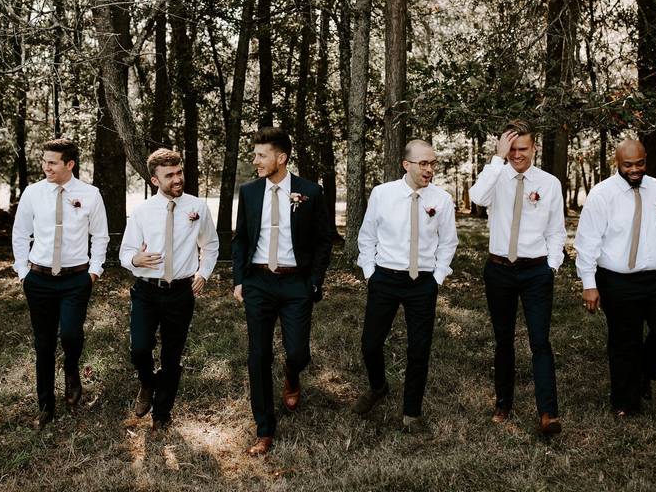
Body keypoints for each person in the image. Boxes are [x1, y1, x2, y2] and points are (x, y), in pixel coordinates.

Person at [575, 139, 656, 416]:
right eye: (628, 164)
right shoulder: (602, 194)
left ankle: (643, 373)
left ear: (646, 159)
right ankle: (625, 402)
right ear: (617, 163)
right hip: (617, 279)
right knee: (624, 339)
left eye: (639, 163)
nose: (634, 169)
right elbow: (587, 242)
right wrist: (589, 284)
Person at [232, 127, 333, 455]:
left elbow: (322, 240)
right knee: (258, 355)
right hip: (259, 281)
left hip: (295, 283)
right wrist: (239, 279)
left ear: (281, 158)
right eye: (255, 154)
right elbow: (241, 240)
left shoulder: (310, 192)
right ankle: (264, 429)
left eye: (261, 155)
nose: (255, 160)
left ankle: (292, 374)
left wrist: (314, 281)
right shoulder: (248, 192)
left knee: (298, 352)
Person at [353, 139, 458, 433]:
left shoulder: (442, 199)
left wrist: (437, 278)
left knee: (419, 348)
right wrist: (370, 272)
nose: (429, 169)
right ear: (406, 164)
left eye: (433, 163)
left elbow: (448, 242)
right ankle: (378, 386)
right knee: (370, 343)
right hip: (385, 278)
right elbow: (367, 235)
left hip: (422, 282)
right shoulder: (382, 194)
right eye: (423, 163)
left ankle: (412, 413)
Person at [469, 120, 565, 435]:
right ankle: (503, 403)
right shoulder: (496, 176)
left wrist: (551, 265)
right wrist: (496, 160)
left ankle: (548, 412)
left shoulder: (550, 183)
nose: (516, 155)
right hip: (499, 270)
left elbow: (556, 229)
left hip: (536, 271)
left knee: (540, 341)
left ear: (534, 147)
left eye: (522, 148)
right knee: (503, 340)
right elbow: (477, 198)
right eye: (510, 149)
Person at [12, 138, 109, 429]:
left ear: (70, 164)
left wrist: (93, 271)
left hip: (75, 279)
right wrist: (22, 272)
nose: (46, 167)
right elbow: (20, 234)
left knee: (70, 334)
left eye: (52, 162)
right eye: (44, 161)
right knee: (43, 345)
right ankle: (45, 407)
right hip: (38, 279)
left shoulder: (90, 195)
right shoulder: (33, 193)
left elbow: (100, 236)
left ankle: (71, 368)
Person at [120, 148, 218, 431]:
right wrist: (134, 259)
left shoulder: (197, 207)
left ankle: (162, 412)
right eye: (169, 175)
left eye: (179, 173)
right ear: (154, 180)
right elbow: (125, 252)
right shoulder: (142, 212)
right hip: (147, 290)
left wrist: (204, 272)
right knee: (139, 349)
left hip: (181, 292)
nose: (177, 179)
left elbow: (210, 245)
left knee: (172, 355)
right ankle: (147, 384)